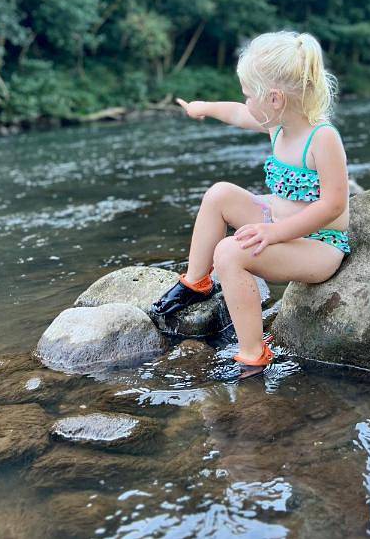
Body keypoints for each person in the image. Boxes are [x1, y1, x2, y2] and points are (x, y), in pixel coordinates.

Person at [150, 30, 351, 379]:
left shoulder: (322, 138)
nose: (245, 104)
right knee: (219, 194)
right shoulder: (276, 125)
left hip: (319, 246)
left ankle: (254, 353)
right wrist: (203, 109)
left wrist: (274, 234)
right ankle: (196, 282)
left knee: (229, 252)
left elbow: (333, 207)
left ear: (274, 99)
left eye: (248, 96)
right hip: (278, 225)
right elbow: (236, 114)